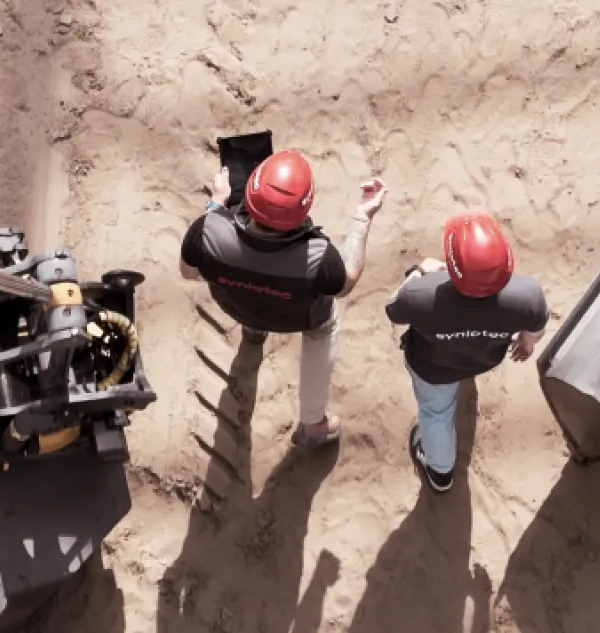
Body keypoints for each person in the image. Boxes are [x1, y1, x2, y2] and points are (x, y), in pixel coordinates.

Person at [179, 149, 386, 449]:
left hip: (237, 306)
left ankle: (253, 332)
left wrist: (216, 204)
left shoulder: (207, 231)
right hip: (295, 317)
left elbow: (189, 273)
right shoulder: (318, 258)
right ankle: (313, 423)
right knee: (325, 325)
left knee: (249, 292)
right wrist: (362, 217)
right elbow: (346, 281)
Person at [384, 211, 549, 492]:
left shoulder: (421, 294)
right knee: (462, 374)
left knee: (436, 415)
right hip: (482, 357)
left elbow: (393, 308)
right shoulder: (527, 297)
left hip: (433, 367)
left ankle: (440, 472)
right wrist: (526, 343)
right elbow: (536, 329)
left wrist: (420, 272)